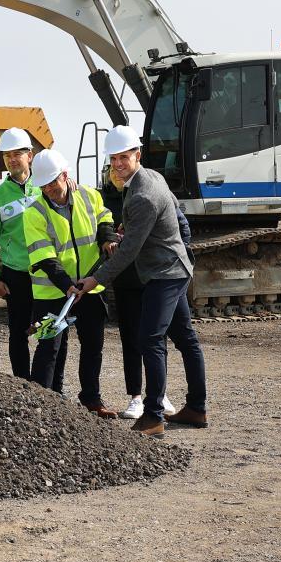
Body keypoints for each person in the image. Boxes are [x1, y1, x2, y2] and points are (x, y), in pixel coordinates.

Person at [75, 125, 207, 438]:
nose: (118, 164)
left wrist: (95, 279)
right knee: (186, 339)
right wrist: (129, 234)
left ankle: (153, 416)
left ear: (138, 154)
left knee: (150, 340)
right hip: (173, 267)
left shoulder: (142, 195)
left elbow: (128, 254)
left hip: (165, 274)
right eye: (114, 158)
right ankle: (197, 408)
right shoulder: (151, 178)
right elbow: (162, 225)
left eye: (124, 157)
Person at [24, 149, 119, 418]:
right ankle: (42, 402)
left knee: (93, 346)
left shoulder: (89, 195)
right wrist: (67, 285)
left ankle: (91, 399)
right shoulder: (34, 212)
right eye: (43, 185)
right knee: (49, 347)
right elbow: (44, 257)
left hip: (89, 287)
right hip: (52, 289)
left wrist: (107, 237)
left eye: (53, 182)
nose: (49, 189)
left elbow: (104, 217)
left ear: (65, 176)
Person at [102, 168, 180, 419]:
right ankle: (136, 395)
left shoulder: (147, 190)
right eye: (112, 166)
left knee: (156, 338)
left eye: (121, 163)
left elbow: (177, 221)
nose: (117, 171)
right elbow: (100, 226)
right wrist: (110, 238)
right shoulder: (103, 199)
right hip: (125, 278)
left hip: (152, 275)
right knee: (131, 338)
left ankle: (160, 393)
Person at [0, 128, 39, 379]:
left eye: (17, 154)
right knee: (18, 333)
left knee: (52, 332)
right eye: (7, 155)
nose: (12, 159)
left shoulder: (45, 186)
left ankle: (50, 388)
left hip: (49, 274)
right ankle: (23, 385)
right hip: (17, 275)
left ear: (30, 155)